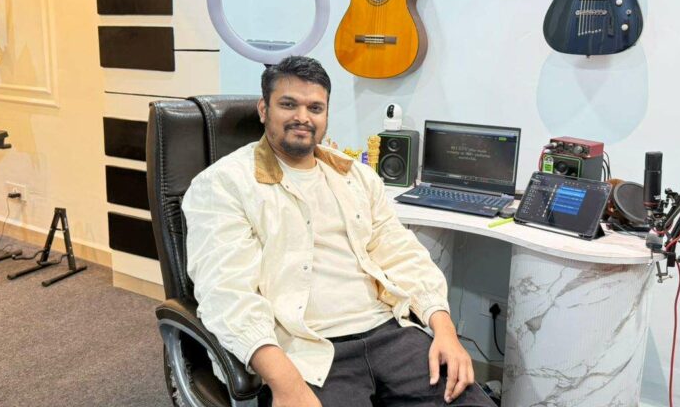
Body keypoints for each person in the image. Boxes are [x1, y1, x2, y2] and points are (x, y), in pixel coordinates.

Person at [182, 56, 494, 407]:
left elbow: (402, 253)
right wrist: (286, 384)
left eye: (315, 107)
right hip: (308, 350)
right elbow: (227, 293)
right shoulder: (224, 185)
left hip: (390, 335)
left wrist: (445, 331)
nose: (303, 117)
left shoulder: (356, 176)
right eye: (288, 104)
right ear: (263, 109)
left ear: (327, 114)